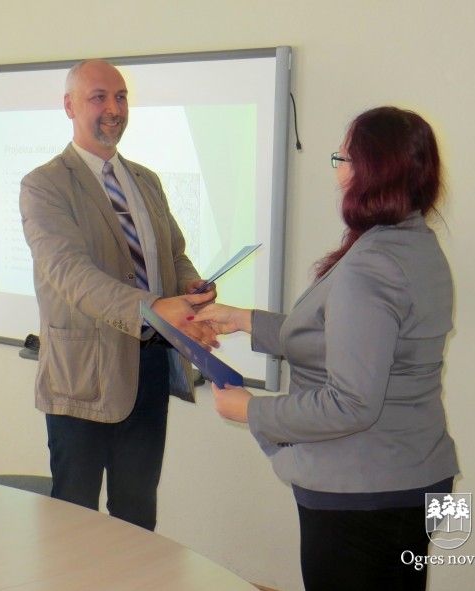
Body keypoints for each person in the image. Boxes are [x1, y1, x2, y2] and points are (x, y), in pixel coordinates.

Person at [192, 106, 459, 590]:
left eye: (343, 157)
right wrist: (245, 320)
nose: (337, 171)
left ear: (371, 171)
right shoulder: (416, 244)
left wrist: (251, 410)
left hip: (365, 491)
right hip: (413, 476)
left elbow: (351, 403)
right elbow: (349, 339)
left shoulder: (373, 263)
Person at [19, 59, 217, 531]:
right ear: (69, 106)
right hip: (82, 380)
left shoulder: (146, 180)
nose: (114, 108)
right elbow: (71, 274)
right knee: (75, 523)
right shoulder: (44, 185)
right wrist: (153, 306)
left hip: (149, 371)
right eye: (99, 97)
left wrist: (189, 287)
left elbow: (173, 254)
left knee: (137, 517)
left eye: (121, 97)